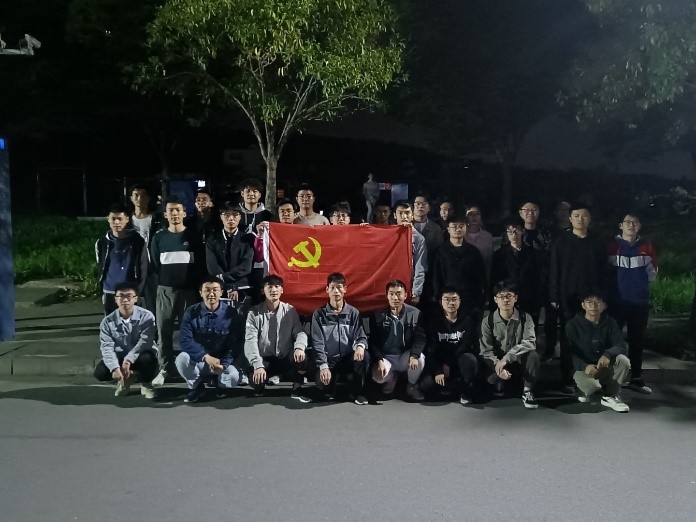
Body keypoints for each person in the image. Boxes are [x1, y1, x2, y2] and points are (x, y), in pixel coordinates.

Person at [549, 203, 608, 394]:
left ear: (589, 219)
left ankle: (589, 378)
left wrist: (603, 297)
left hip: (592, 299)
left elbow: (604, 271)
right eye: (576, 216)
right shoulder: (561, 242)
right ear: (570, 218)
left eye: (584, 216)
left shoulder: (598, 242)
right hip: (568, 297)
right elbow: (554, 270)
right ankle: (567, 378)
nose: (580, 219)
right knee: (568, 339)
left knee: (591, 339)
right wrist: (554, 295)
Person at [150, 196, 205, 386]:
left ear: (184, 213)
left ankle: (188, 368)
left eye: (178, 210)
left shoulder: (193, 236)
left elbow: (200, 265)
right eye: (170, 210)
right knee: (163, 330)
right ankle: (165, 368)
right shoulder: (159, 238)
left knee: (188, 332)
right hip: (166, 291)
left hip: (188, 291)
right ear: (165, 214)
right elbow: (155, 265)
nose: (174, 213)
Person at [607, 212, 658, 394]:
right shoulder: (611, 247)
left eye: (635, 222)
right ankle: (608, 379)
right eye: (627, 222)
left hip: (639, 303)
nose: (631, 225)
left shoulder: (647, 247)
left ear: (639, 226)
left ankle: (636, 378)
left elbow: (652, 274)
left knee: (637, 341)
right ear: (621, 225)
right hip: (616, 303)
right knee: (612, 341)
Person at [175, 278, 243, 403]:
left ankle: (219, 384)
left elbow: (235, 344)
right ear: (200, 293)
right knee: (181, 359)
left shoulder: (231, 313)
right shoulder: (191, 312)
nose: (211, 294)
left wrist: (224, 364)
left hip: (220, 362)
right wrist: (205, 356)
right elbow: (185, 341)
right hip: (200, 361)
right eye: (207, 290)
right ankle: (195, 387)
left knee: (234, 377)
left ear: (221, 292)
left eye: (215, 290)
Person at [244, 275, 310, 401]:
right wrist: (257, 364)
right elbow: (250, 341)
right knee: (255, 381)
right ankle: (265, 381)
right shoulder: (254, 312)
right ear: (263, 290)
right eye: (269, 286)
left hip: (284, 357)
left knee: (302, 358)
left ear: (282, 290)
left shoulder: (290, 310)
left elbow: (300, 332)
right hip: (264, 359)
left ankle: (297, 387)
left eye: (277, 286)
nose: (273, 290)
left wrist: (299, 347)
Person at [566, 291, 631, 412]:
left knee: (623, 361)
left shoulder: (610, 323)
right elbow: (569, 353)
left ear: (604, 305)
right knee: (592, 387)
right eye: (589, 302)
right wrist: (584, 366)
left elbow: (621, 345)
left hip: (603, 366)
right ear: (583, 305)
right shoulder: (572, 325)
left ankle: (611, 396)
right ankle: (582, 389)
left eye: (597, 302)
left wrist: (608, 354)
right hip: (583, 369)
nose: (593, 306)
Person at [311, 273, 370, 405]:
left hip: (348, 359)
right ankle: (332, 384)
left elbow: (361, 336)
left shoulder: (354, 313)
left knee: (364, 355)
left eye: (339, 287)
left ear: (345, 289)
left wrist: (360, 346)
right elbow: (317, 343)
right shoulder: (319, 314)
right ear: (327, 290)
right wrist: (323, 366)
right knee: (323, 386)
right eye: (332, 288)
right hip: (329, 361)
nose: (336, 291)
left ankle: (358, 392)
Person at [480, 282, 540, 409]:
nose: (505, 300)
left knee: (533, 355)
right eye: (501, 296)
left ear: (515, 298)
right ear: (495, 299)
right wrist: (498, 365)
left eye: (509, 296)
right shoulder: (488, 320)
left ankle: (527, 391)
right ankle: (501, 380)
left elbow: (530, 342)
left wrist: (507, 358)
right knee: (490, 379)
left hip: (517, 361)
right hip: (497, 363)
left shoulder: (525, 317)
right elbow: (486, 351)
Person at [94, 282, 158, 399]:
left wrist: (128, 360)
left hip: (140, 354)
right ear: (115, 299)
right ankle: (126, 379)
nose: (125, 300)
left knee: (148, 359)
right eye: (121, 296)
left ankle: (146, 383)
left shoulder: (147, 316)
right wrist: (114, 367)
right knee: (100, 372)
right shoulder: (107, 322)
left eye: (129, 296)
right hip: (120, 356)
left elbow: (145, 342)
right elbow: (107, 347)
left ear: (135, 298)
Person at [368, 280, 426, 402]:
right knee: (378, 377)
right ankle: (391, 378)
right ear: (387, 295)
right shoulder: (377, 315)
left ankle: (411, 385)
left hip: (405, 355)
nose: (395, 297)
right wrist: (379, 359)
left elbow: (420, 338)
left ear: (405, 295)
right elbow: (373, 342)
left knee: (420, 359)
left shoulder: (415, 314)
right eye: (392, 294)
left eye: (399, 294)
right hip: (387, 357)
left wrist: (414, 355)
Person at [421, 287, 478, 404]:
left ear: (460, 301)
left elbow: (466, 345)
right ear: (440, 302)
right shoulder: (434, 321)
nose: (451, 303)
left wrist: (449, 363)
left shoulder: (467, 320)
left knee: (470, 359)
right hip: (440, 361)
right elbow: (431, 350)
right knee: (426, 385)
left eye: (454, 299)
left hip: (459, 361)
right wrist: (438, 371)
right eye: (447, 299)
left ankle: (466, 389)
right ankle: (449, 387)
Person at [490, 216, 544, 325]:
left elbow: (538, 278)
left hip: (529, 300)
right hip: (507, 300)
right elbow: (494, 279)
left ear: (522, 231)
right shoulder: (499, 255)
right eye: (510, 231)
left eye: (516, 231)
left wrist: (538, 300)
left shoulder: (533, 254)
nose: (513, 234)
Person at [95, 204, 147, 315]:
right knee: (111, 322)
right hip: (109, 290)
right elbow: (100, 265)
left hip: (129, 291)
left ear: (127, 219)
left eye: (120, 219)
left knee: (131, 322)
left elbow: (143, 267)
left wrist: (139, 289)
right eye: (113, 219)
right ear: (108, 219)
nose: (116, 222)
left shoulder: (137, 241)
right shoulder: (102, 242)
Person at [429, 214, 486, 314]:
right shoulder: (440, 252)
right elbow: (435, 277)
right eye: (454, 226)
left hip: (469, 300)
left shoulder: (473, 251)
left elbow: (480, 277)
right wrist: (437, 297)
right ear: (448, 229)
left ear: (466, 227)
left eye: (461, 226)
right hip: (447, 300)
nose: (458, 229)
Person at [205, 202, 254, 313]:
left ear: (240, 217)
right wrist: (228, 287)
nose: (231, 218)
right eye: (227, 215)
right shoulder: (212, 240)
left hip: (242, 289)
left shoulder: (248, 239)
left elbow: (246, 267)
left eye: (235, 215)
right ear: (221, 217)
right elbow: (213, 267)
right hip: (219, 289)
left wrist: (233, 286)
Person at [128, 184, 166, 313]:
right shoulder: (127, 220)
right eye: (136, 195)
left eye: (143, 195)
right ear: (131, 198)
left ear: (149, 198)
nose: (139, 198)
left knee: (153, 304)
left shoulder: (156, 220)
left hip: (151, 267)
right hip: (132, 267)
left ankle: (153, 325)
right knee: (131, 303)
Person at [238, 178, 274, 302]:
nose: (251, 194)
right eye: (248, 191)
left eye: (255, 191)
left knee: (259, 298)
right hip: (240, 262)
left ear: (260, 195)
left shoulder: (268, 215)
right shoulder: (235, 214)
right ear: (242, 193)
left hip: (260, 264)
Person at [393, 201, 427, 305]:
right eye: (400, 213)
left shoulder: (418, 238)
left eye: (407, 213)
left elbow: (420, 267)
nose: (404, 216)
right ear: (394, 215)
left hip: (408, 284)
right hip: (390, 284)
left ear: (412, 215)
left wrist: (416, 292)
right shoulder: (387, 234)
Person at [464, 204, 494, 279]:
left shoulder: (488, 237)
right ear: (466, 217)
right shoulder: (460, 235)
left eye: (477, 214)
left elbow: (489, 261)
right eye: (471, 214)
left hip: (481, 276)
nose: (474, 216)